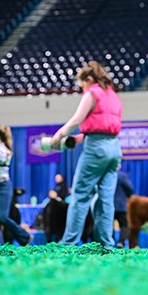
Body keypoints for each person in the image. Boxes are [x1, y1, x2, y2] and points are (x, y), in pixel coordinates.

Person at [50, 60, 123, 249]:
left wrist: (59, 134)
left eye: (82, 85)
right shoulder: (113, 95)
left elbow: (77, 119)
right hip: (114, 148)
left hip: (96, 149)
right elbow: (105, 126)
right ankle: (106, 243)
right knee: (106, 199)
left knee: (80, 196)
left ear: (89, 79)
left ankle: (69, 241)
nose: (82, 89)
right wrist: (80, 138)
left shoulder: (92, 93)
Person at [114, 167, 134, 248]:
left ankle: (109, 243)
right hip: (120, 205)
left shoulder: (106, 175)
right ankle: (121, 242)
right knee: (124, 225)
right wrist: (128, 196)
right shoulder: (121, 176)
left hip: (108, 205)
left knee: (108, 225)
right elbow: (129, 188)